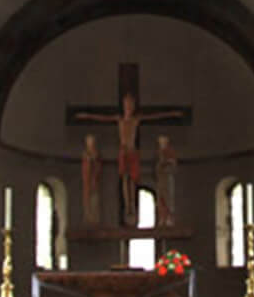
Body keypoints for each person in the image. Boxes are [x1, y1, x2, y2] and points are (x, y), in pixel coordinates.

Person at [71, 93, 183, 224]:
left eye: (131, 105)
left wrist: (172, 114)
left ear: (133, 107)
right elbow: (102, 118)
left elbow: (155, 116)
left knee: (133, 181)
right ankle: (127, 206)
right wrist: (86, 115)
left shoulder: (136, 119)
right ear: (123, 106)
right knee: (125, 178)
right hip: (123, 152)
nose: (129, 107)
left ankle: (132, 206)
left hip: (133, 151)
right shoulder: (119, 119)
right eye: (126, 104)